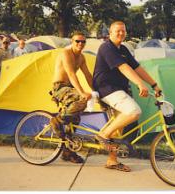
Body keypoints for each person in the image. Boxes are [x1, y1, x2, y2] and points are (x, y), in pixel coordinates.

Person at [93, 21, 162, 172]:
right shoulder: (107, 47)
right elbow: (123, 67)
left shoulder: (123, 49)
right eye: (117, 31)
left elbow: (137, 68)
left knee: (119, 127)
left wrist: (154, 84)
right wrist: (139, 84)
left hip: (119, 89)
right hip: (107, 88)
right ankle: (103, 134)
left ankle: (112, 161)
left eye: (123, 31)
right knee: (134, 112)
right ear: (110, 33)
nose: (121, 33)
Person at [50, 31, 93, 164]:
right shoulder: (65, 53)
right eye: (77, 41)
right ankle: (57, 120)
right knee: (82, 100)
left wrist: (97, 91)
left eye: (83, 41)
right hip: (59, 87)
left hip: (69, 88)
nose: (80, 43)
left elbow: (87, 75)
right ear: (72, 42)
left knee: (74, 120)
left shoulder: (81, 57)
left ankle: (68, 152)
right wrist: (81, 92)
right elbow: (71, 74)